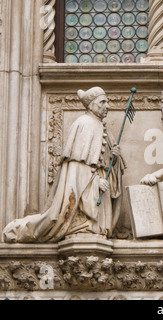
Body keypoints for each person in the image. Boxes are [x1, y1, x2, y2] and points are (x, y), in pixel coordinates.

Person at [2, 87, 125, 243]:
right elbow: (77, 168)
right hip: (90, 185)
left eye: (107, 102)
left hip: (100, 186)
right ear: (92, 104)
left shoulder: (102, 126)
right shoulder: (84, 124)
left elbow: (105, 163)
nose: (107, 106)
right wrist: (95, 182)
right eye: (103, 102)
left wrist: (114, 157)